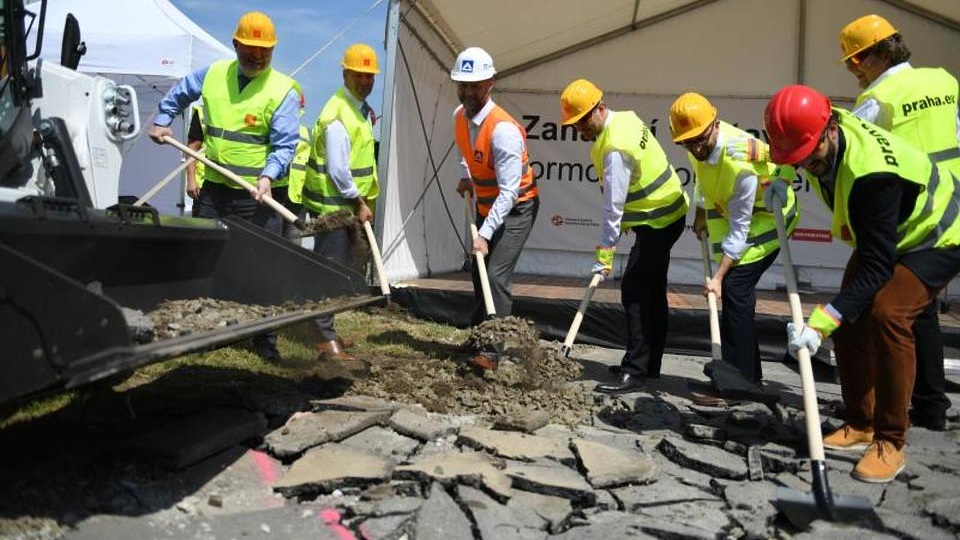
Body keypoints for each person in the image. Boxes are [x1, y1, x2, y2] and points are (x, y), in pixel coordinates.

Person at [765, 85, 960, 483]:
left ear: (830, 130)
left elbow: (875, 268)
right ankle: (861, 421)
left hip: (938, 232)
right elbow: (792, 148)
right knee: (850, 319)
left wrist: (820, 323)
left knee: (889, 315)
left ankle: (890, 440)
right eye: (796, 159)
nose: (806, 165)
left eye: (808, 155)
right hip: (891, 234)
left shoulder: (872, 176)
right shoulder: (822, 120)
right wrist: (783, 176)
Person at [148, 11, 300, 362]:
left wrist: (267, 176)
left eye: (265, 52)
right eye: (251, 50)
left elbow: (284, 146)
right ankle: (207, 331)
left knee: (262, 265)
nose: (258, 57)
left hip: (256, 197)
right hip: (214, 189)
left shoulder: (283, 91)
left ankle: (264, 337)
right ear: (236, 44)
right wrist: (161, 119)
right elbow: (180, 92)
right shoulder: (214, 74)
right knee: (206, 258)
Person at [839, 13, 959, 431]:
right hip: (951, 207)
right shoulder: (944, 81)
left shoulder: (876, 100)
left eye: (855, 61)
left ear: (874, 55)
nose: (854, 70)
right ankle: (930, 407)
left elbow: (853, 160)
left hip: (908, 215)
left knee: (886, 312)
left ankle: (882, 414)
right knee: (919, 311)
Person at [560, 79, 689, 393]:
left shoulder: (615, 148)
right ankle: (650, 363)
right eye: (574, 124)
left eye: (583, 121)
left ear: (600, 108)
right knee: (652, 290)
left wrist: (605, 252)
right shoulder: (627, 118)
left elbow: (613, 207)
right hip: (669, 213)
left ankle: (636, 370)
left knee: (635, 289)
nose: (580, 129)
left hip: (658, 220)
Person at [669, 92, 799, 394]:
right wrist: (700, 211)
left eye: (699, 140)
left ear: (715, 124)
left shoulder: (739, 165)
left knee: (735, 287)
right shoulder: (697, 143)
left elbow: (740, 232)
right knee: (735, 290)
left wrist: (717, 278)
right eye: (686, 143)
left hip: (768, 216)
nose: (694, 148)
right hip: (735, 211)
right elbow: (701, 176)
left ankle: (741, 382)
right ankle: (745, 376)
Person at [450, 47, 540, 369]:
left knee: (496, 274)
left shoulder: (503, 130)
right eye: (462, 85)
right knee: (478, 273)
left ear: (491, 83)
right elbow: (466, 150)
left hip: (517, 208)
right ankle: (479, 337)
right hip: (487, 203)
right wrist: (465, 176)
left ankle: (491, 352)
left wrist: (485, 234)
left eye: (475, 85)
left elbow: (510, 191)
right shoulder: (459, 116)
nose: (468, 92)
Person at [302, 43, 381, 361]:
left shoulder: (358, 109)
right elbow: (338, 170)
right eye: (359, 75)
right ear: (345, 73)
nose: (366, 81)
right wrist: (359, 201)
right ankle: (322, 337)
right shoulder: (337, 115)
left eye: (370, 76)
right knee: (328, 269)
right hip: (335, 205)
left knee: (336, 271)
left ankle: (324, 330)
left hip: (344, 205)